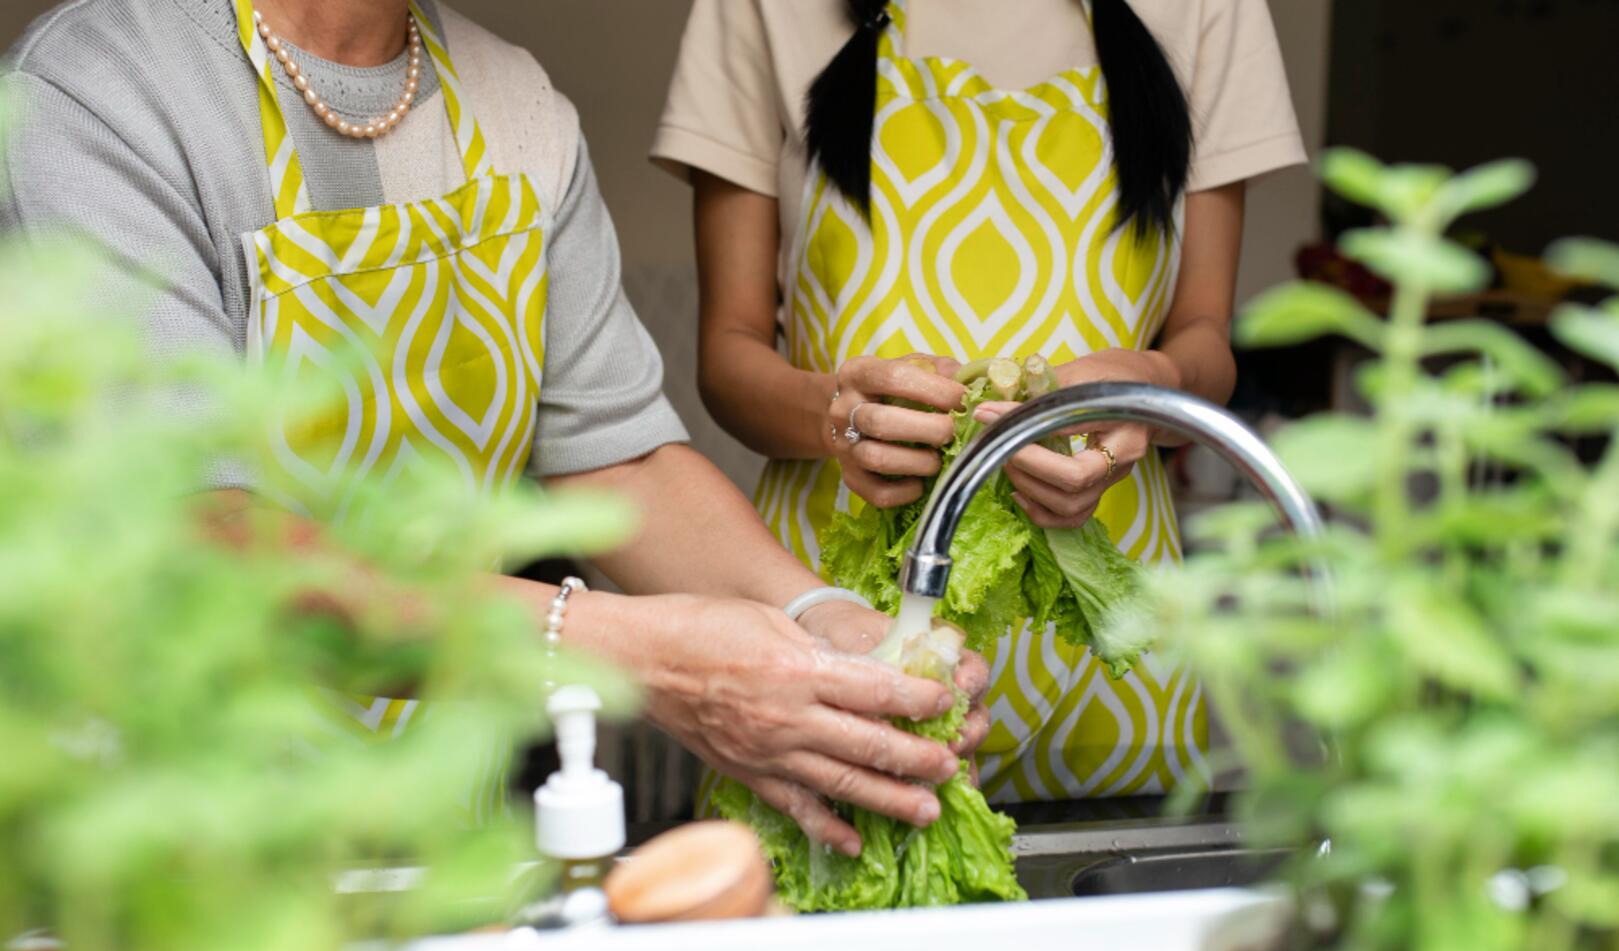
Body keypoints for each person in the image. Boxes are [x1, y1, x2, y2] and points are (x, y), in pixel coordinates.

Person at [0, 0, 990, 853]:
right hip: (162, 870)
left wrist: (828, 631)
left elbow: (621, 465)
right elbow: (208, 551)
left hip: (441, 850)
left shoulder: (512, 105)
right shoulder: (93, 101)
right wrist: (644, 656)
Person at [653, 0, 1307, 801]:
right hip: (836, 628)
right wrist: (841, 412)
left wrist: (1149, 388)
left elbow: (1204, 336)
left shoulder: (1209, 10)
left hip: (1112, 646)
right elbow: (726, 358)